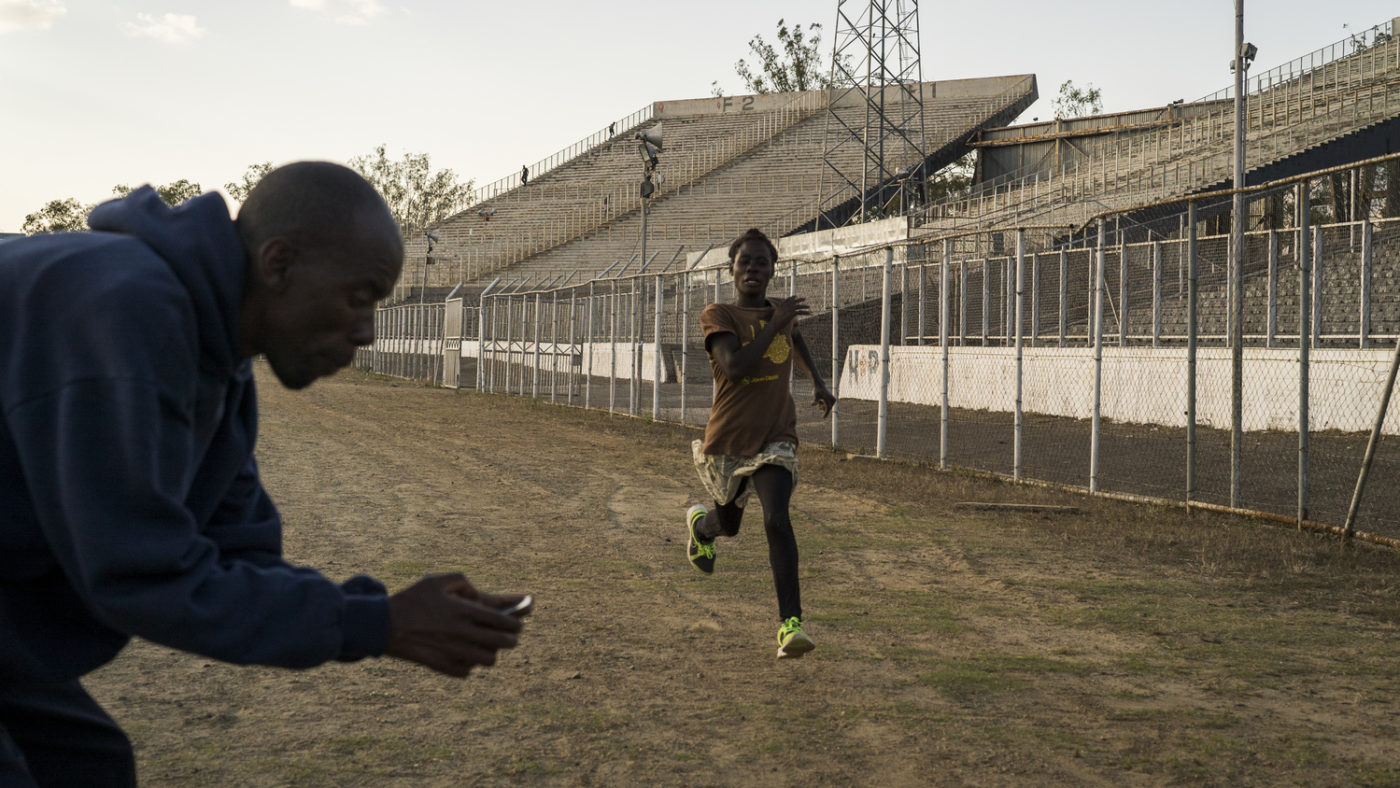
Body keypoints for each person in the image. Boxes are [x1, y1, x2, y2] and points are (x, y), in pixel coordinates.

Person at [0, 162, 529, 786]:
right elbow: (136, 573)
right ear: (278, 264)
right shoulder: (124, 308)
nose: (367, 331)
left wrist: (381, 611)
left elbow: (238, 554)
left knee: (86, 766)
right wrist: (379, 625)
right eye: (358, 297)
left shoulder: (222, 364)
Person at [685, 228, 836, 659]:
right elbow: (735, 368)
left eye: (761, 262)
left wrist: (819, 385)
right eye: (744, 262)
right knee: (728, 525)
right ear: (732, 270)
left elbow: (797, 340)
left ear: (772, 270)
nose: (753, 268)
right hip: (731, 439)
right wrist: (776, 322)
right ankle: (701, 528)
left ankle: (791, 626)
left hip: (777, 436)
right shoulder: (719, 315)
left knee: (776, 519)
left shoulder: (781, 315)